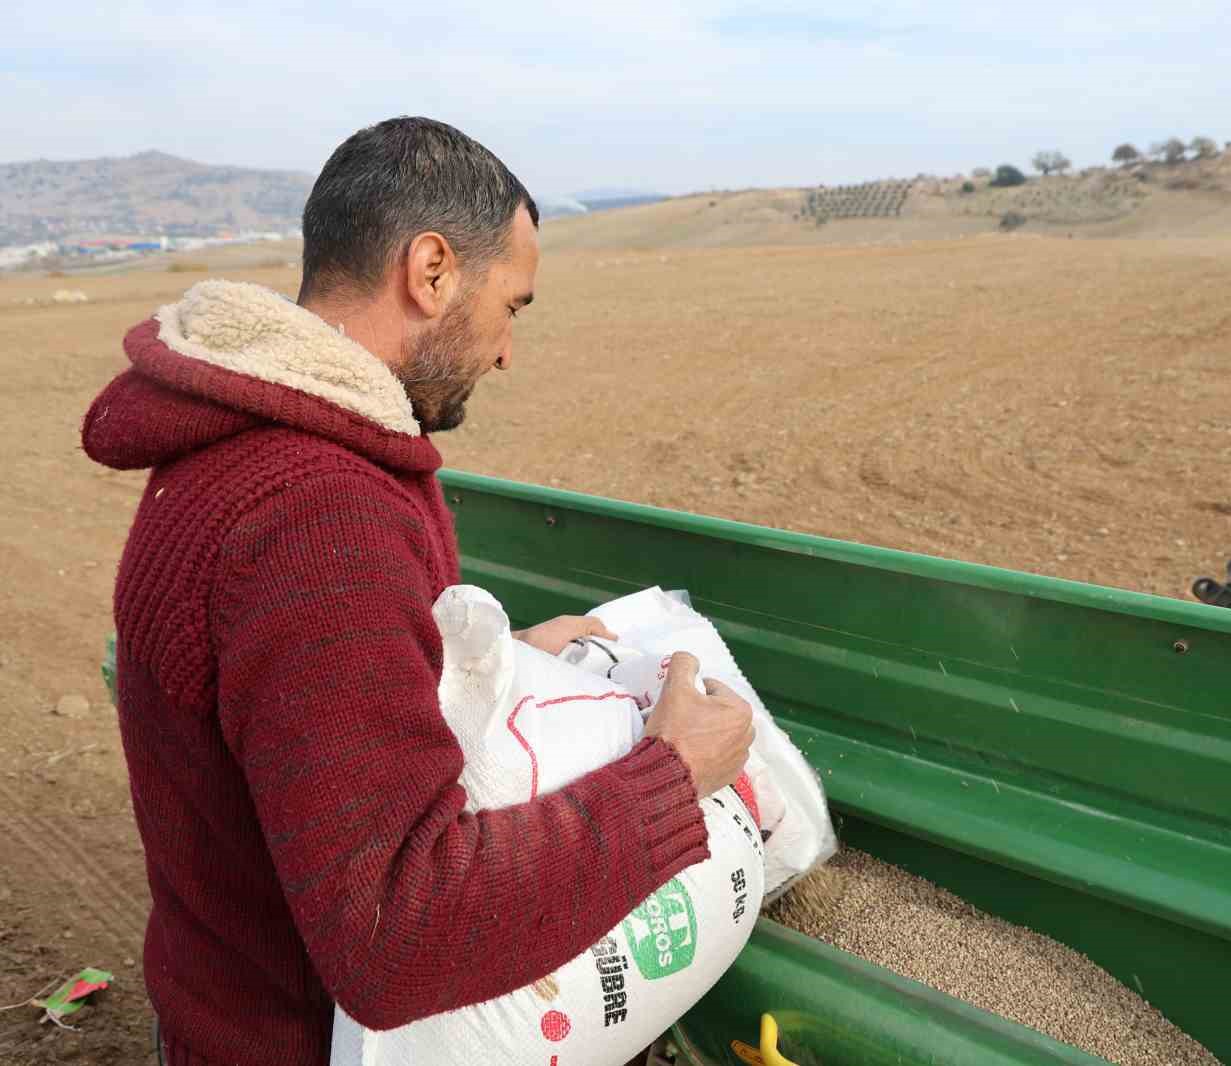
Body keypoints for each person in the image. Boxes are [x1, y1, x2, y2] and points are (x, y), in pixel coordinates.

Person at [81, 116, 755, 1066]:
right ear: (432, 270)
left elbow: (308, 716)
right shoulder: (317, 518)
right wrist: (672, 778)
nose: (508, 351)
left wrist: (502, 662)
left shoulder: (237, 447)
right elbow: (396, 932)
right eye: (512, 305)